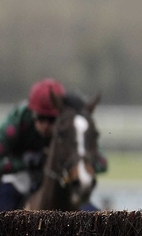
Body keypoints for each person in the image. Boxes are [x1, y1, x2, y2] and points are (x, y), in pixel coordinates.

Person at [0, 78, 108, 210]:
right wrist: (23, 163)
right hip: (20, 178)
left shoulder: (68, 126)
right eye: (40, 118)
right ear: (32, 112)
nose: (46, 125)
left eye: (52, 119)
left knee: (94, 215)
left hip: (58, 182)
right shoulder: (18, 120)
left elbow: (101, 163)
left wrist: (79, 165)